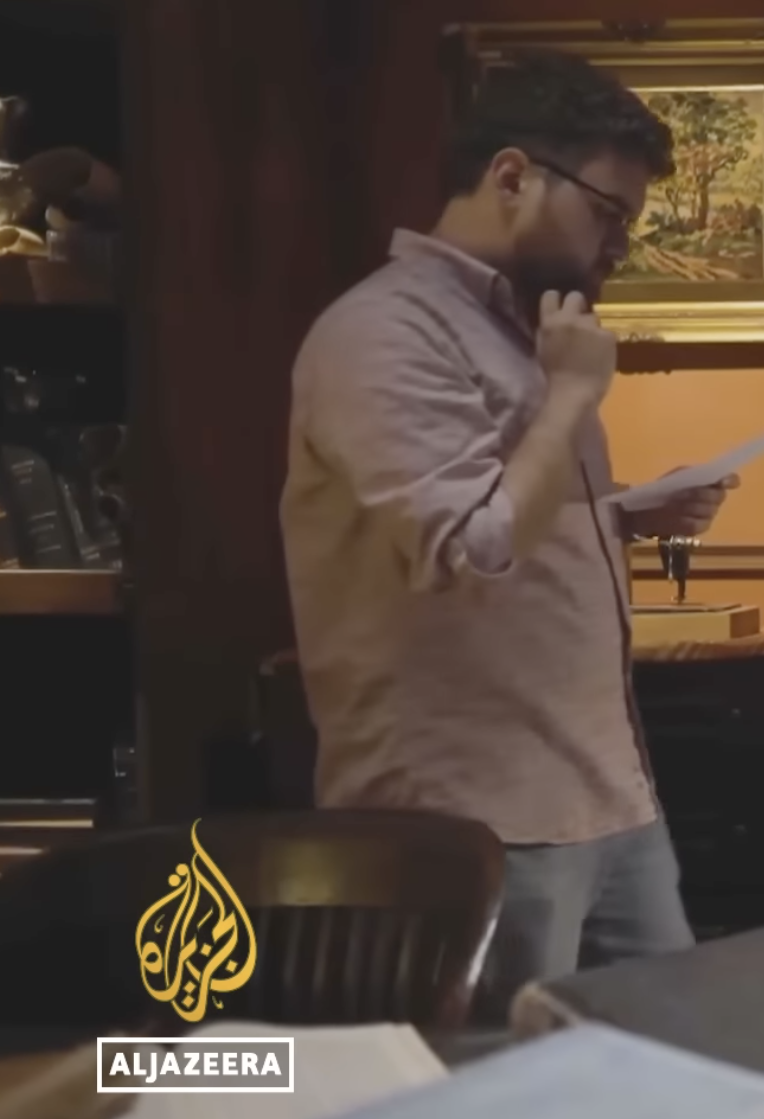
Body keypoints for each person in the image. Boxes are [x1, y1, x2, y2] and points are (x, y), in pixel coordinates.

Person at [278, 50, 735, 1019]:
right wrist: (570, 398)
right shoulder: (379, 334)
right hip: (477, 822)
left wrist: (622, 512)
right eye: (608, 212)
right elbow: (467, 548)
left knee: (673, 1074)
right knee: (511, 1090)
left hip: (606, 795)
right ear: (513, 175)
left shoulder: (521, 329)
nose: (619, 244)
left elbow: (509, 511)